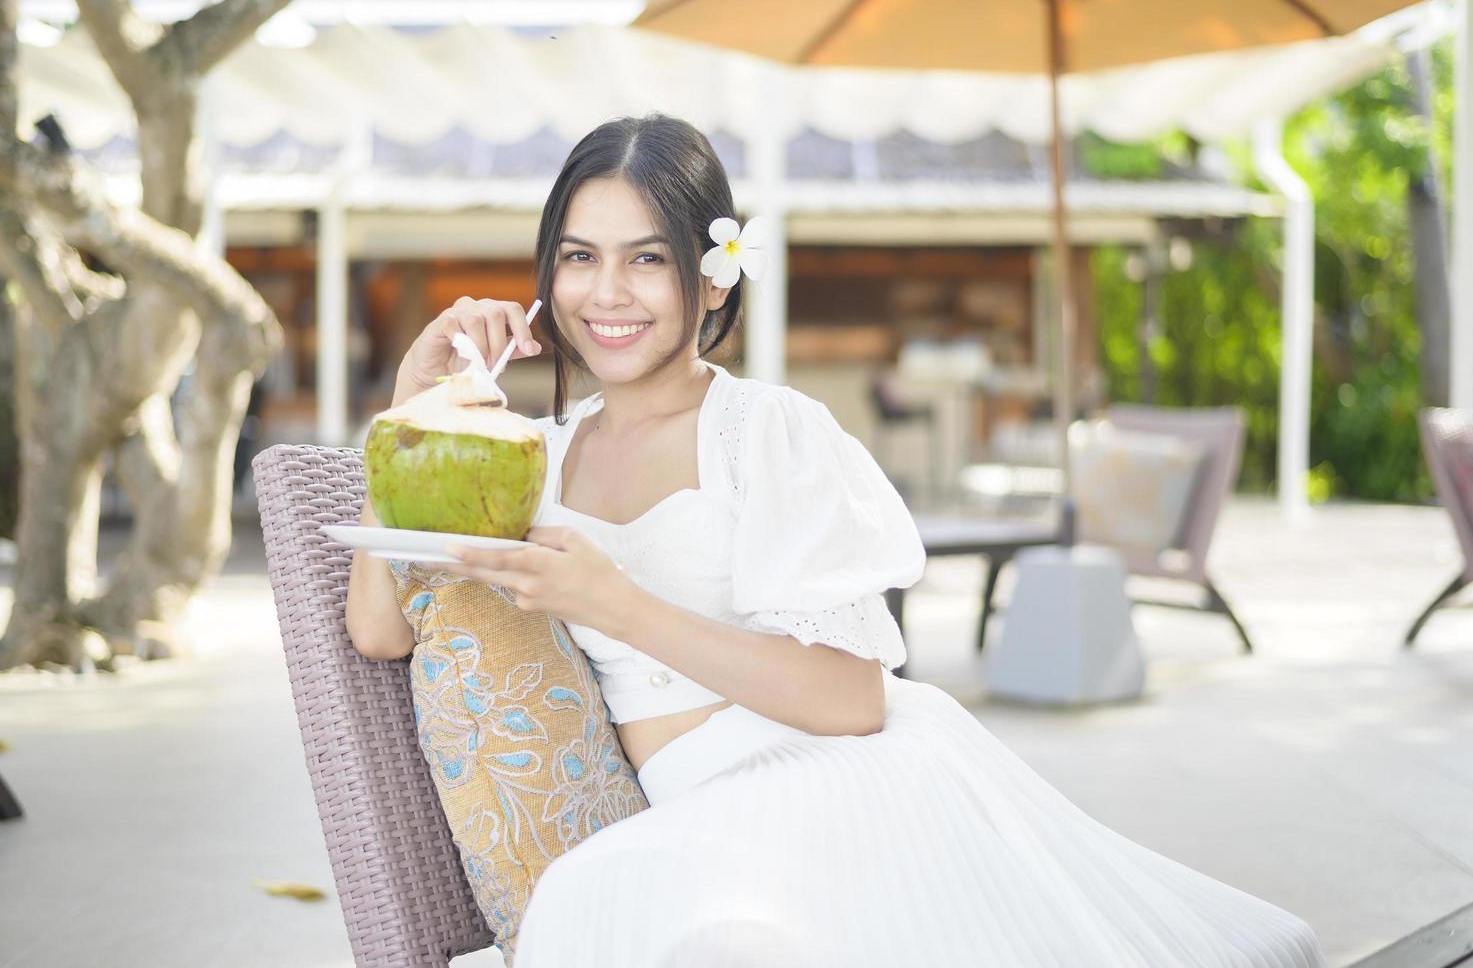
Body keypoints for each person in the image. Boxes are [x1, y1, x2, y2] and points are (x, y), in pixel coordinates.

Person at [345, 114, 1328, 968]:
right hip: (685, 817)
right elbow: (382, 629)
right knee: (611, 902)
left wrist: (617, 605)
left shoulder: (767, 431)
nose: (608, 292)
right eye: (578, 254)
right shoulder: (534, 458)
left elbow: (853, 696)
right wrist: (410, 401)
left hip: (821, 783)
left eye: (646, 257)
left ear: (710, 275)